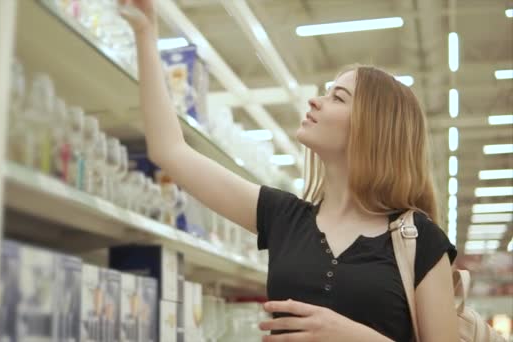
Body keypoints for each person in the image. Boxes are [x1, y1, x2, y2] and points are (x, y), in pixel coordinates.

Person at [118, 0, 459, 341]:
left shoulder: (419, 240)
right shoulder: (283, 217)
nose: (315, 101)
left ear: (375, 128)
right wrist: (146, 34)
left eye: (338, 98)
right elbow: (170, 151)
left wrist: (353, 336)